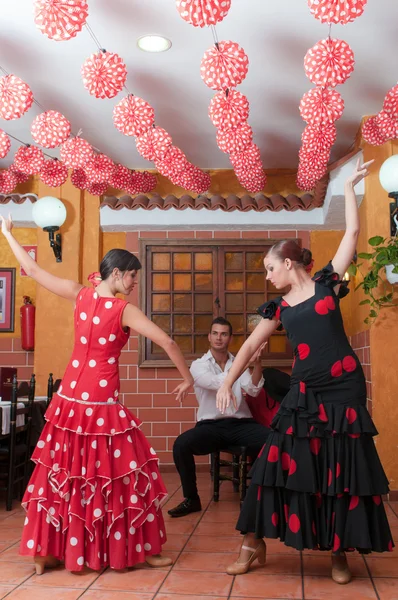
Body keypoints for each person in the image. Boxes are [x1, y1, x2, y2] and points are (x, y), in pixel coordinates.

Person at [216, 159, 394, 585]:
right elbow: (250, 346)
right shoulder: (278, 309)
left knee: (340, 467)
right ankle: (252, 543)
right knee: (272, 464)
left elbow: (351, 234)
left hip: (344, 387)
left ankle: (338, 553)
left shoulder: (328, 283)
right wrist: (226, 380)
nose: (267, 275)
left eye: (270, 268)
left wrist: (349, 187)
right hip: (304, 391)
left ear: (290, 264)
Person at [1, 214, 194, 574]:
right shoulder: (124, 309)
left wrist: (7, 235)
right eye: (133, 275)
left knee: (64, 472)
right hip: (101, 402)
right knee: (121, 473)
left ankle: (47, 552)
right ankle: (140, 550)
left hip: (69, 400)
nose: (135, 282)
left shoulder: (81, 293)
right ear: (118, 274)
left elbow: (35, 272)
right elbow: (167, 340)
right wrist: (188, 379)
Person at [168, 317, 270, 518]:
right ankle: (191, 499)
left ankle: (263, 495)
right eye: (215, 333)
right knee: (181, 445)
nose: (219, 338)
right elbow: (215, 383)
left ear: (230, 338)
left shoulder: (237, 362)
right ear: (209, 337)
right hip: (211, 426)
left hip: (241, 423)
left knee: (275, 439)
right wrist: (242, 365)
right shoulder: (198, 365)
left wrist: (257, 364)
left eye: (223, 334)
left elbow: (253, 390)